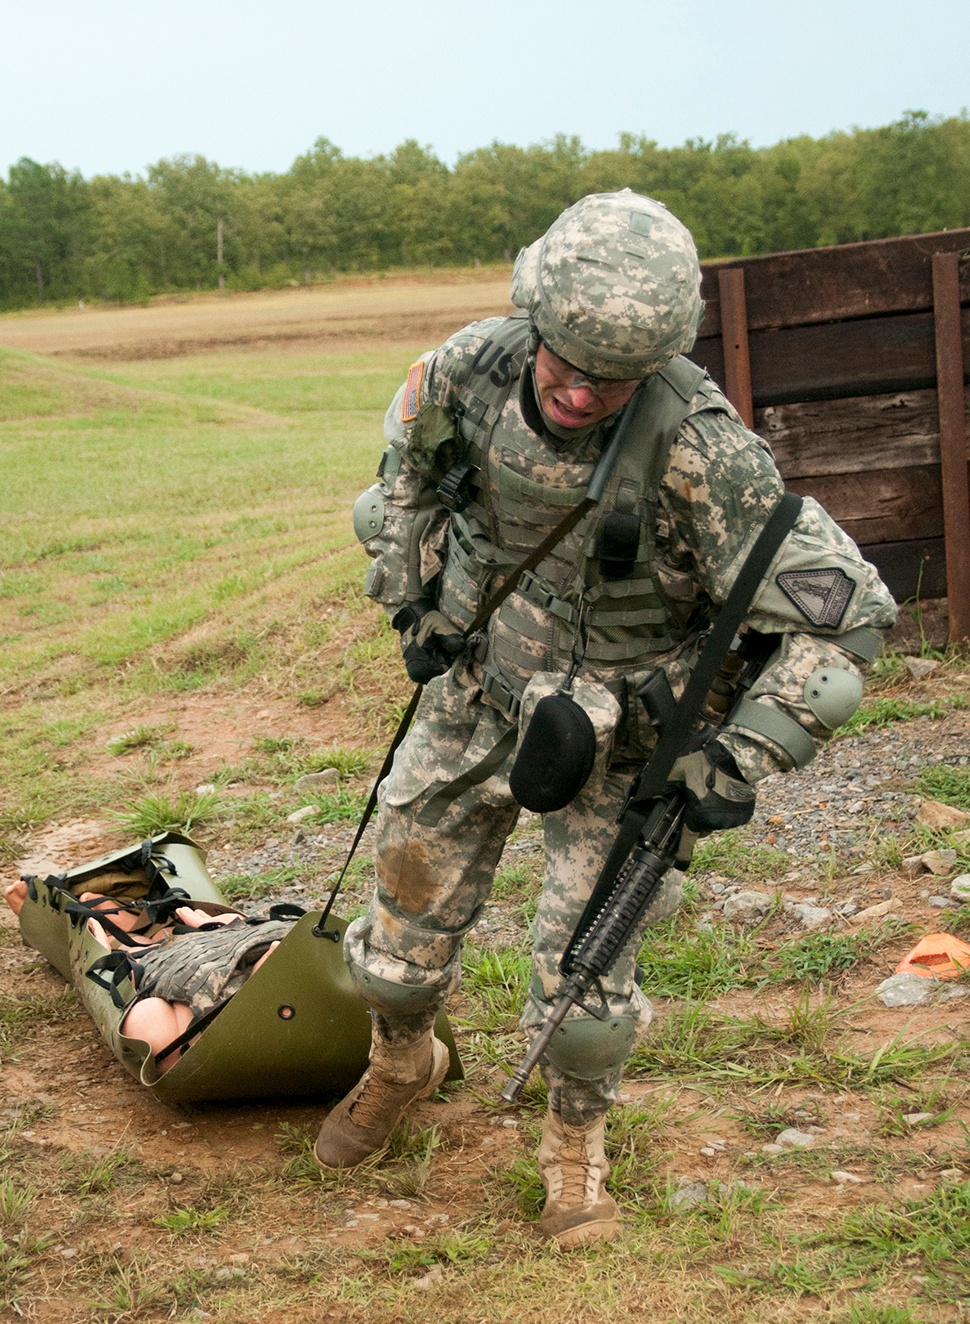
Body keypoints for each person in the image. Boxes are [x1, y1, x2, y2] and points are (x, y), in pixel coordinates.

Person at [313, 191, 897, 1245]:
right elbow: (400, 482)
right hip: (475, 695)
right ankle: (403, 1061)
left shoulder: (705, 455)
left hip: (625, 736)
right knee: (393, 940)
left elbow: (843, 627)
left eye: (611, 377)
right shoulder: (466, 372)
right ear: (534, 318)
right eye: (564, 361)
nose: (580, 393)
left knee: (584, 987)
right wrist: (412, 598)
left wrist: (734, 757)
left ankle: (573, 1140)